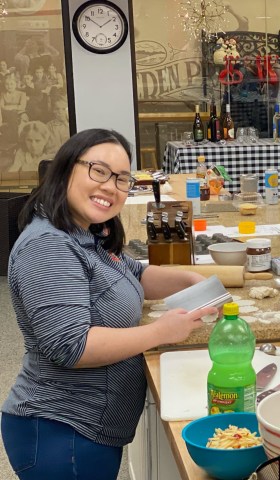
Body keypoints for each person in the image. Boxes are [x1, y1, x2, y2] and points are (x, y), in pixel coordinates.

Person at [1, 129, 216, 479]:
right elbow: (72, 346)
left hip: (87, 429)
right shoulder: (48, 247)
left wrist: (191, 280)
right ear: (67, 169)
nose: (110, 187)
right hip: (61, 429)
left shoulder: (83, 234)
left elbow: (136, 274)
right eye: (98, 171)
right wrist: (161, 332)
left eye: (121, 179)